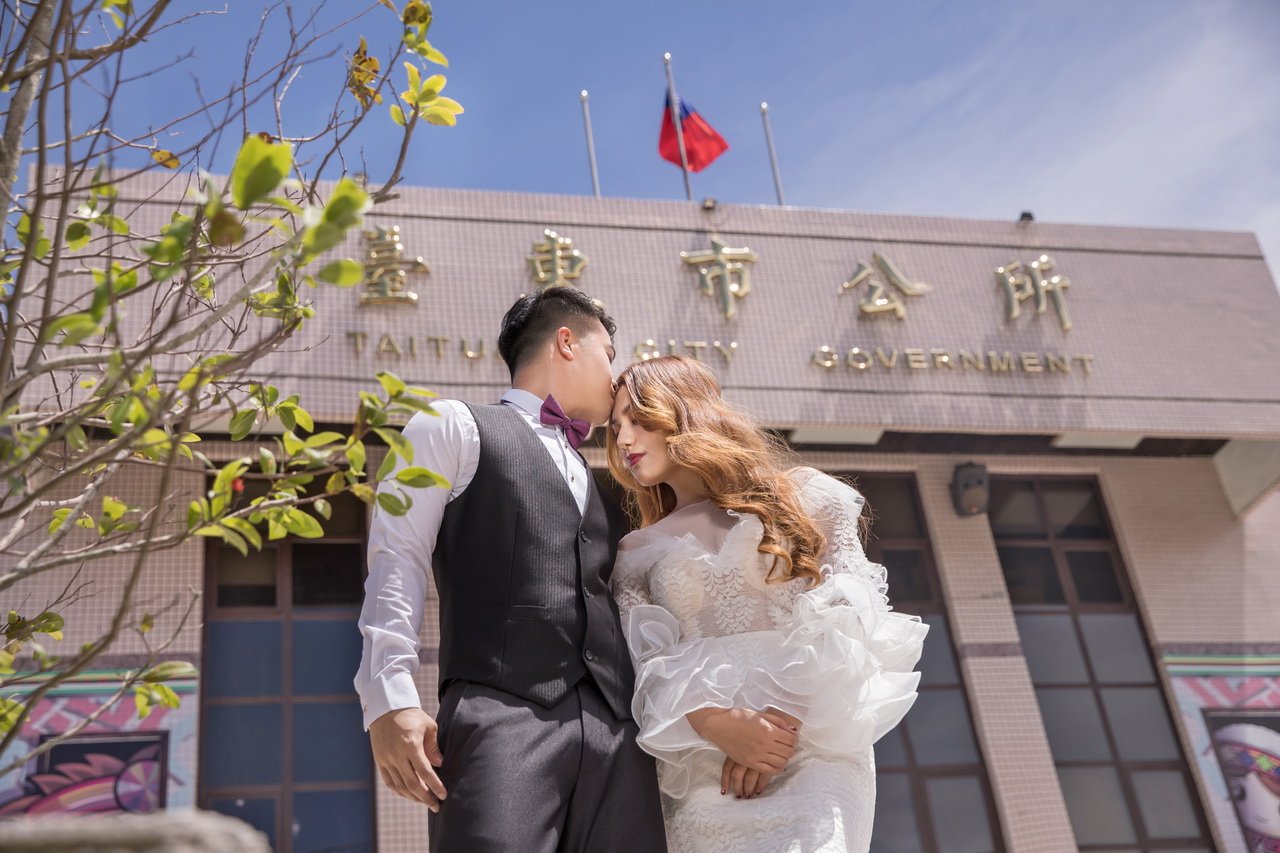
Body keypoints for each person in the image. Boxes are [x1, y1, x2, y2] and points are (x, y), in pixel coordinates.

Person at [355, 288, 667, 852]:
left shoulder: (600, 476)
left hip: (619, 734)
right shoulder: (450, 425)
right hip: (503, 715)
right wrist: (389, 696)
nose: (616, 375)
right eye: (608, 354)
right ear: (567, 342)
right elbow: (397, 557)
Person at [606, 355, 928, 853]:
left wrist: (779, 725)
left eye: (637, 418)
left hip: (813, 745)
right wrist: (717, 724)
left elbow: (852, 607)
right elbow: (645, 662)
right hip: (703, 765)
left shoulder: (808, 495)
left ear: (683, 410)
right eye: (614, 429)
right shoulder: (635, 552)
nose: (624, 440)